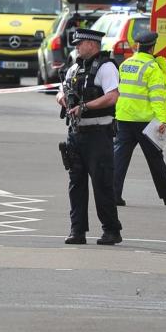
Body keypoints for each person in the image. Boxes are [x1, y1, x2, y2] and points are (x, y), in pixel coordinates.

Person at [56, 27, 122, 245]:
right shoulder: (73, 68)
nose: (76, 47)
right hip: (76, 134)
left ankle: (111, 231)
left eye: (79, 44)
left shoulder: (106, 67)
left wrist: (86, 106)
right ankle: (77, 231)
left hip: (98, 134)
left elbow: (112, 96)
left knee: (102, 185)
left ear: (92, 45)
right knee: (76, 184)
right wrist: (63, 99)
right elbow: (60, 91)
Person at [113, 30, 166, 208]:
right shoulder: (152, 68)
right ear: (152, 47)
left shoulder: (125, 64)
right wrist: (162, 119)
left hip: (124, 117)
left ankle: (114, 195)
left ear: (137, 46)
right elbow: (157, 96)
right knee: (155, 159)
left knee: (119, 158)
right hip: (144, 120)